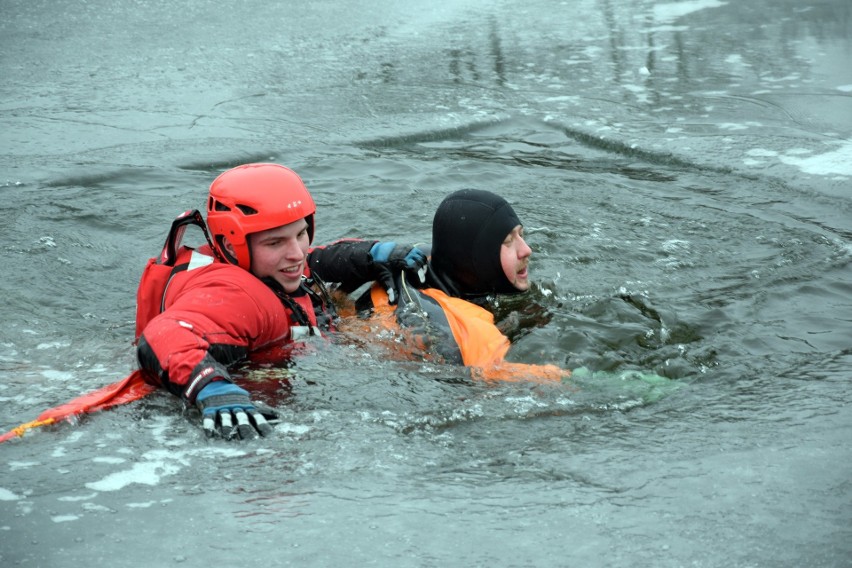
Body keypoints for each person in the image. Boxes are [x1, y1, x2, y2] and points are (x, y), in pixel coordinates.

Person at [136, 162, 426, 440]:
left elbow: (315, 260)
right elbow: (165, 334)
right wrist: (213, 387)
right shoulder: (233, 294)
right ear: (230, 245)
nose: (297, 253)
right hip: (247, 411)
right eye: (275, 243)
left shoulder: (262, 266)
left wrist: (372, 253)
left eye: (300, 234)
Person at [349, 188, 570, 383]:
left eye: (521, 235)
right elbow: (498, 374)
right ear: (476, 258)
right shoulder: (469, 326)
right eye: (508, 242)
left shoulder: (419, 266)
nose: (526, 250)